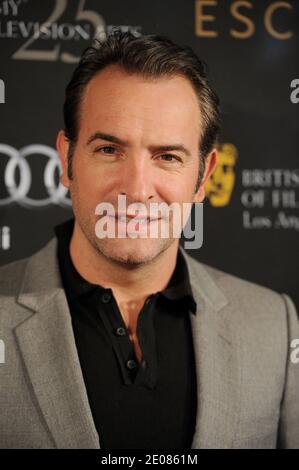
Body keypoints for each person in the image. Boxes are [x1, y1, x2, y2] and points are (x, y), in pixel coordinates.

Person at [0, 30, 298, 449]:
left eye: (168, 157)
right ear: (66, 161)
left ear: (203, 177)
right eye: (109, 150)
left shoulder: (274, 325)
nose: (138, 190)